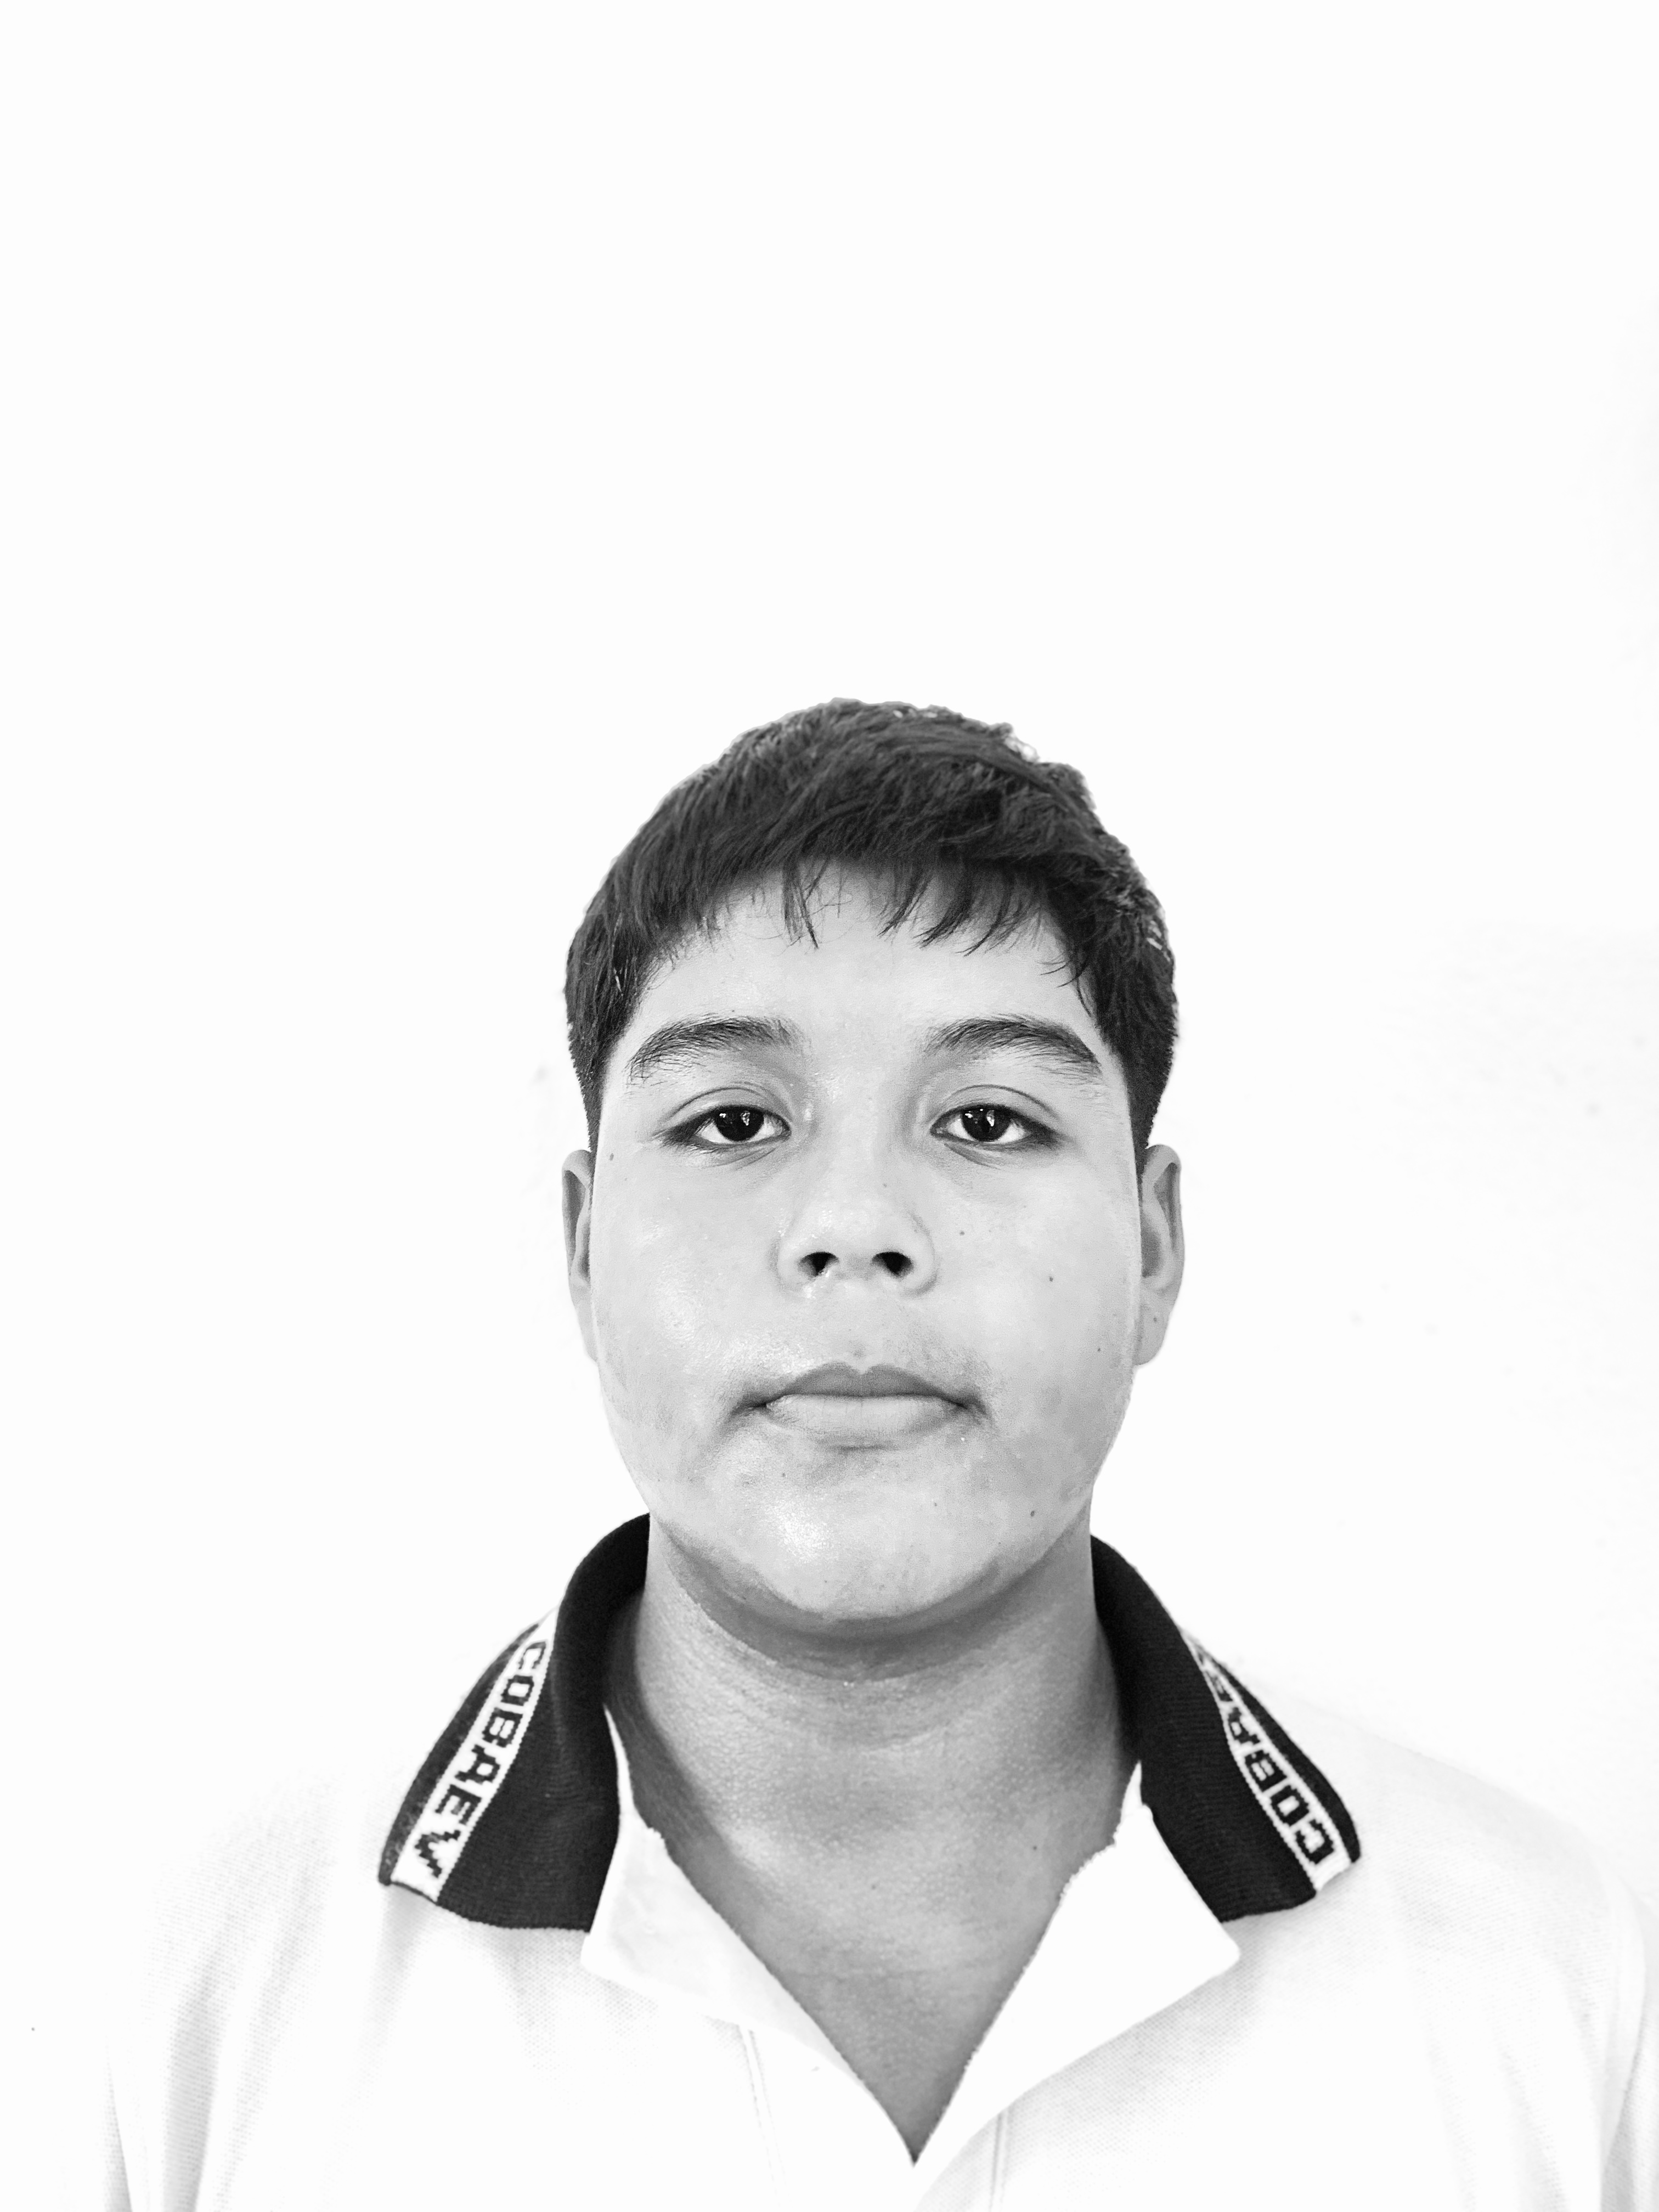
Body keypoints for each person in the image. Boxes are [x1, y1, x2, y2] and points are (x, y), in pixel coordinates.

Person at [95, 700, 1656, 2208]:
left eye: (987, 1122)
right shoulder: (200, 1986)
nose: (854, 1228)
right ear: (581, 1245)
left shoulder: (1550, 1984)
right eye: (732, 1123)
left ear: (1153, 1247)